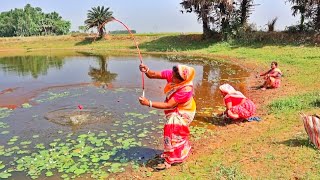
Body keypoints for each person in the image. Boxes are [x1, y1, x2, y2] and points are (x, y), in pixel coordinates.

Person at [138, 64, 196, 170]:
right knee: (175, 133)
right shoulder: (173, 74)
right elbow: (153, 74)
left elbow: (169, 105)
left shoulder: (186, 90)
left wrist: (148, 103)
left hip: (185, 111)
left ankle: (171, 159)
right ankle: (180, 152)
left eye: (174, 78)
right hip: (176, 108)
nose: (171, 78)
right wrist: (146, 70)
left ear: (182, 80)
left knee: (172, 131)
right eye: (172, 75)